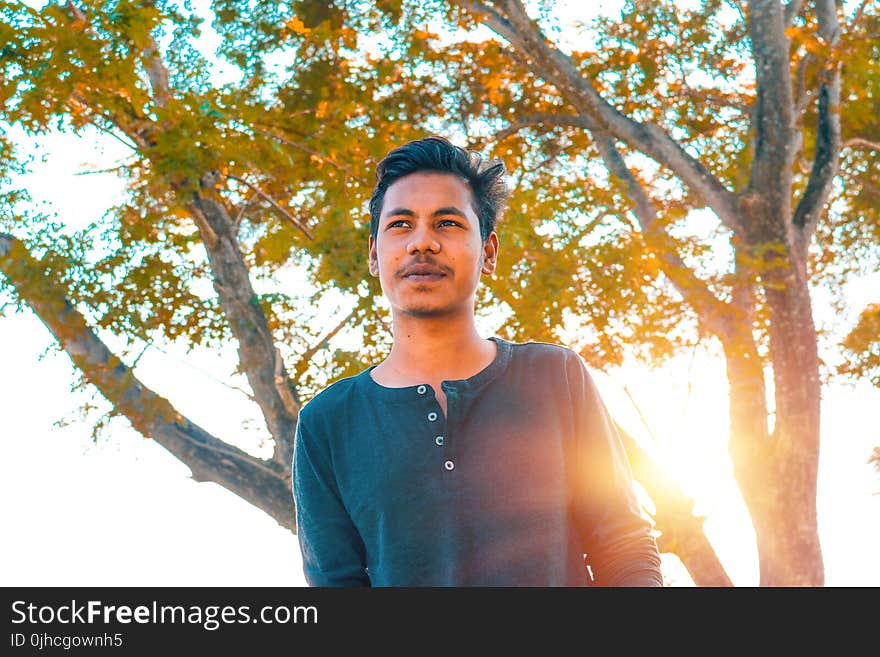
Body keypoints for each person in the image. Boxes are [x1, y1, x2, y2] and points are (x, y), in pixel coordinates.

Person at [292, 136, 663, 586]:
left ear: (488, 252)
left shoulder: (554, 376)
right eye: (401, 225)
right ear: (374, 254)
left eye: (447, 223)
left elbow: (623, 547)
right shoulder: (327, 423)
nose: (421, 244)